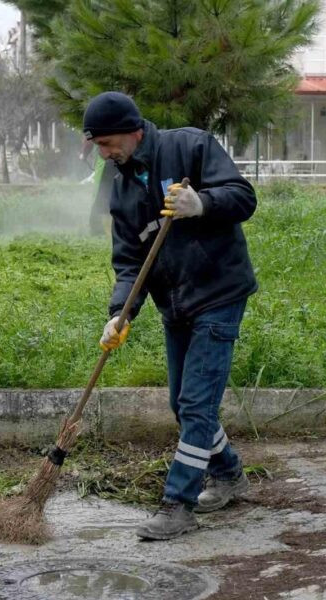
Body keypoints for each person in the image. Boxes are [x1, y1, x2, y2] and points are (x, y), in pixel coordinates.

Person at [83, 91, 258, 540]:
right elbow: (128, 259)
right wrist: (120, 313)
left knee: (197, 404)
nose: (104, 153)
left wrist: (201, 204)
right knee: (180, 403)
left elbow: (242, 197)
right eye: (98, 146)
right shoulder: (119, 185)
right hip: (174, 301)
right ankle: (230, 475)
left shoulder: (190, 147)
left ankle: (177, 504)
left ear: (134, 130)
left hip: (218, 290)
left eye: (108, 143)